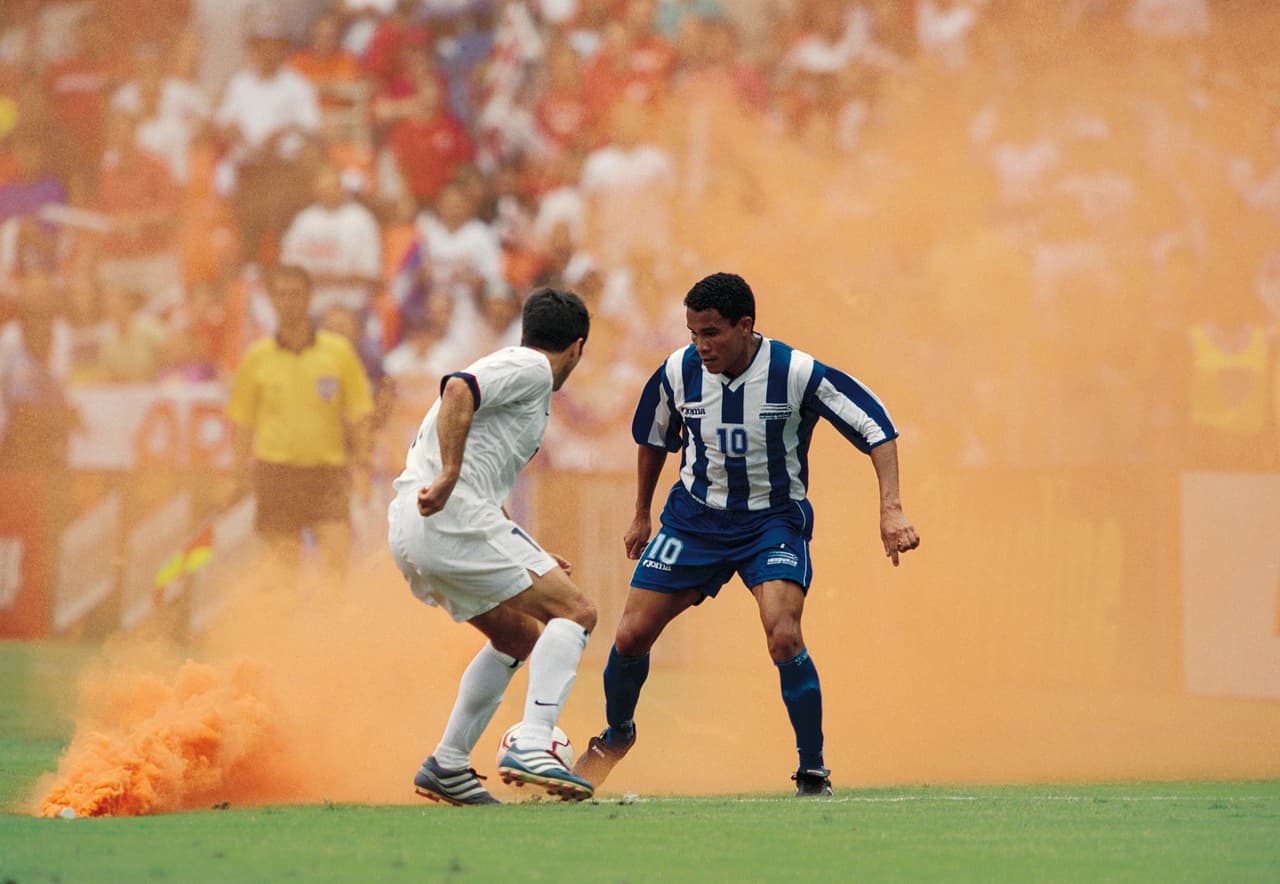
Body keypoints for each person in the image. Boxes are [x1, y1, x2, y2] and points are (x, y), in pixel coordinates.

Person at [573, 271, 920, 797]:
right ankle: (616, 736)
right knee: (629, 636)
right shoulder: (678, 371)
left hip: (771, 522)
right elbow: (653, 439)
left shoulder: (795, 371)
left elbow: (876, 426)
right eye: (693, 333)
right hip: (694, 519)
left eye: (711, 333)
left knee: (783, 634)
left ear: (745, 325)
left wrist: (890, 510)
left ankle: (812, 769)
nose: (701, 345)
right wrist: (641, 513)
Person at [386, 286, 597, 806]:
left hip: (419, 524)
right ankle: (532, 741)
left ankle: (448, 765)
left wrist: (523, 543)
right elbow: (459, 389)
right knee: (577, 611)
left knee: (519, 637)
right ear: (576, 347)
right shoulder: (531, 369)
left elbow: (481, 465)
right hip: (447, 516)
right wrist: (452, 474)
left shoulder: (519, 372)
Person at [226, 264, 374, 591]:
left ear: (309, 299)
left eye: (296, 295)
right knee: (281, 576)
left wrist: (362, 467)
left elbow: (359, 415)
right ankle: (285, 642)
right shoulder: (257, 357)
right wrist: (236, 476)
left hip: (327, 472)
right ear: (272, 300)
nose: (289, 302)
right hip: (276, 473)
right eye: (281, 295)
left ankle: (330, 639)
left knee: (336, 566)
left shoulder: (338, 353)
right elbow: (243, 423)